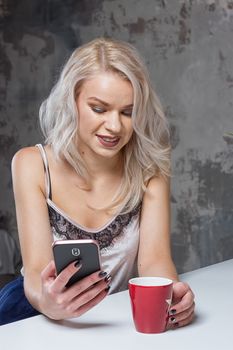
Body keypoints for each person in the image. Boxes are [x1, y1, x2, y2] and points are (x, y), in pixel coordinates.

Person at [0, 37, 195, 326]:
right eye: (99, 109)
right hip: (36, 313)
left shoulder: (151, 168)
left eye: (127, 112)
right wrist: (49, 304)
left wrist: (172, 296)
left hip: (114, 317)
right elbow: (35, 271)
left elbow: (154, 260)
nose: (115, 126)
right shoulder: (31, 164)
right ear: (73, 101)